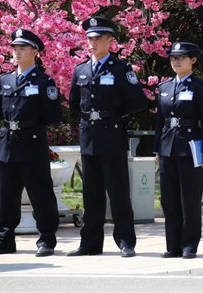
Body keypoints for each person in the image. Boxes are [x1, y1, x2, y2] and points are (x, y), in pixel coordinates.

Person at [67, 16, 148, 258]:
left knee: (118, 191)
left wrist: (111, 114)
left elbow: (138, 101)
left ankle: (125, 241)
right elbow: (73, 102)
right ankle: (90, 243)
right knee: (91, 193)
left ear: (110, 41)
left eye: (98, 39)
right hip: (89, 136)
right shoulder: (80, 69)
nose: (92, 43)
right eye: (89, 39)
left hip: (112, 135)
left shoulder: (121, 69)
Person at [0, 30, 61, 257]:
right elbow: (0, 112)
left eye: (23, 49)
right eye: (15, 48)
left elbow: (53, 116)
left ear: (35, 53)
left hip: (33, 143)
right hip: (9, 143)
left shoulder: (44, 81)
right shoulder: (5, 80)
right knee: (7, 195)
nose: (17, 53)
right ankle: (5, 239)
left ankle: (46, 239)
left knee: (41, 194)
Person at [153, 42, 203, 259]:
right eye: (173, 58)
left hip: (190, 147)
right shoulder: (165, 87)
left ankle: (189, 245)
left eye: (181, 58)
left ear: (193, 60)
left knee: (189, 198)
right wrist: (157, 150)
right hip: (168, 148)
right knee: (168, 199)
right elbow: (160, 121)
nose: (176, 61)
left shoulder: (201, 86)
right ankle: (173, 246)